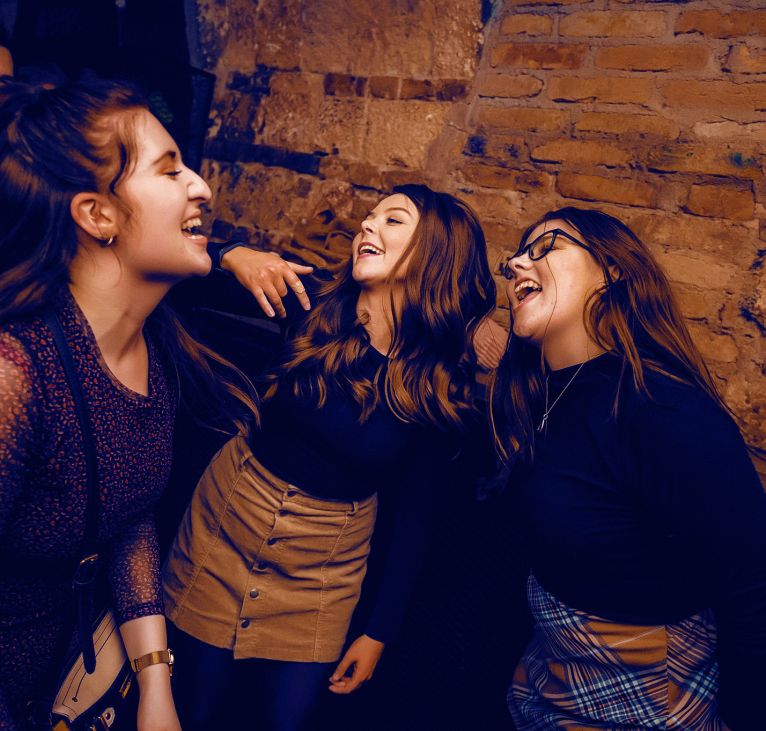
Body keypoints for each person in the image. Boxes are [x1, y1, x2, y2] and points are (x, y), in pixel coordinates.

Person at [162, 184, 498, 730]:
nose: (368, 225)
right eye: (371, 216)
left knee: (285, 721)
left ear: (435, 254)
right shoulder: (310, 301)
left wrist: (378, 633)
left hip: (321, 574)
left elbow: (416, 518)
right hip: (225, 530)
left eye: (393, 220)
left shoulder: (436, 379)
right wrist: (231, 254)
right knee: (191, 709)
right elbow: (169, 272)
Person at [0, 75, 254, 730]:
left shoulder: (152, 349)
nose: (200, 185)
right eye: (169, 170)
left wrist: (154, 684)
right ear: (98, 216)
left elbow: (126, 513)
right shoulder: (16, 376)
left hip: (61, 677)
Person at [492, 207, 766, 730]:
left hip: (648, 700)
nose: (516, 264)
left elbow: (753, 584)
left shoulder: (661, 408)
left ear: (612, 271)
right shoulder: (539, 394)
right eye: (514, 259)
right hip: (547, 681)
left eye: (545, 246)